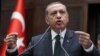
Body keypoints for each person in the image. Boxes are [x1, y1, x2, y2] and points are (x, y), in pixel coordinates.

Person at [6, 1, 100, 56]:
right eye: (54, 13)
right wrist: (12, 48)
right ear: (47, 20)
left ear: (67, 17)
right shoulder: (36, 41)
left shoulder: (79, 39)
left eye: (62, 12)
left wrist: (88, 47)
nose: (58, 16)